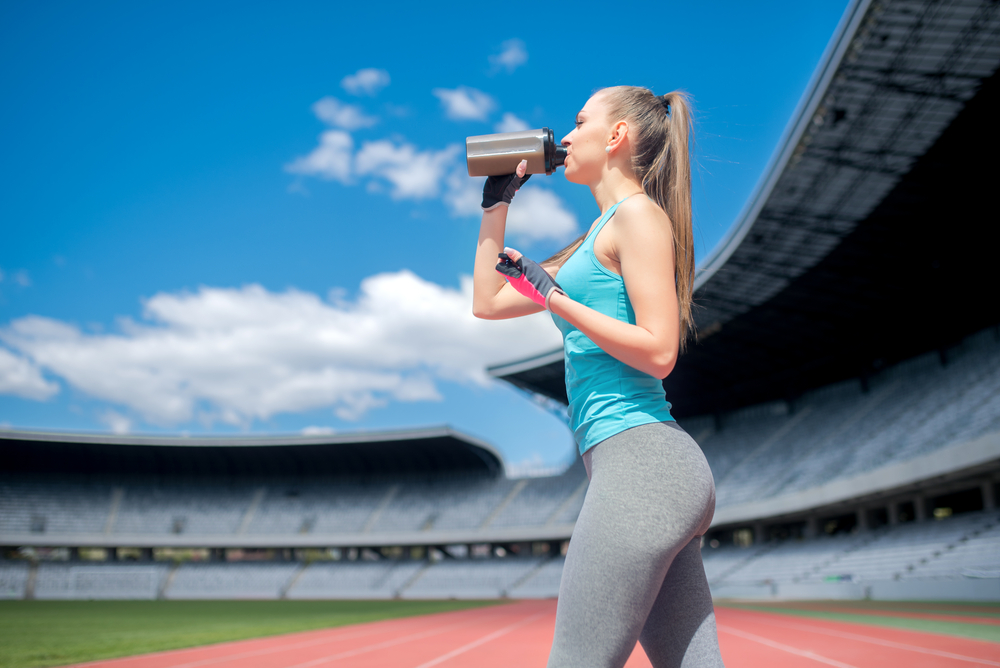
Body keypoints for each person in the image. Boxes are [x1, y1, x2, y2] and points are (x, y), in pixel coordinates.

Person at [472, 86, 725, 668]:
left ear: (616, 138)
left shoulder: (638, 215)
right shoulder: (593, 239)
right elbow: (487, 300)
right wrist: (496, 206)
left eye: (580, 121)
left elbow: (660, 351)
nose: (564, 137)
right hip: (647, 472)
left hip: (641, 464)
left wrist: (554, 298)